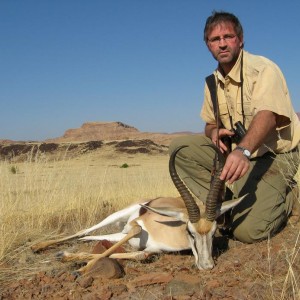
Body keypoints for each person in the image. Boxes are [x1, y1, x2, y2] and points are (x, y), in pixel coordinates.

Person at [169, 11, 300, 243]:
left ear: (240, 39)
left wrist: (242, 151)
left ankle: (288, 196)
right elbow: (210, 123)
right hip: (240, 158)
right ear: (207, 45)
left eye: (228, 37)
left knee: (246, 232)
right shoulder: (212, 83)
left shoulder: (263, 69)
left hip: (275, 156)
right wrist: (213, 132)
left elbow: (268, 116)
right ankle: (223, 204)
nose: (222, 44)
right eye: (214, 40)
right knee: (180, 150)